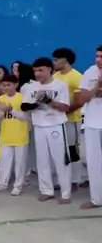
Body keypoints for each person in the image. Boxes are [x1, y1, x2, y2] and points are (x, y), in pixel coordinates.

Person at [21, 57, 71, 202]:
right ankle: (46, 190)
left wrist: (48, 100)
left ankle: (66, 193)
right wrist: (35, 104)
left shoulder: (60, 85)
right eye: (35, 71)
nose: (37, 74)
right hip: (39, 126)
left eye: (40, 70)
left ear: (50, 69)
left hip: (56, 125)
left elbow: (65, 107)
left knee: (61, 160)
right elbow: (24, 106)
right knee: (42, 160)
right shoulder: (31, 87)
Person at [0, 74, 30, 195]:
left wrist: (11, 109)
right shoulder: (1, 99)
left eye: (8, 85)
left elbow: (26, 117)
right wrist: (2, 111)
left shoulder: (22, 98)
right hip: (5, 136)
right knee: (4, 162)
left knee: (20, 163)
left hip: (20, 136)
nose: (6, 88)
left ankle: (18, 185)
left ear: (16, 85)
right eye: (4, 85)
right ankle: (2, 183)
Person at [52, 48, 84, 188]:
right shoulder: (55, 76)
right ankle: (63, 179)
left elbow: (79, 102)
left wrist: (64, 111)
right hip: (57, 120)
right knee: (60, 150)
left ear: (64, 60)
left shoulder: (76, 77)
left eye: (56, 59)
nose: (54, 62)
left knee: (72, 150)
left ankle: (75, 180)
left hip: (72, 119)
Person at [76, 44, 102, 209]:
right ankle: (96, 199)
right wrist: (97, 86)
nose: (99, 60)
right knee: (94, 162)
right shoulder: (89, 72)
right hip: (93, 122)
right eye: (97, 56)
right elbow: (81, 99)